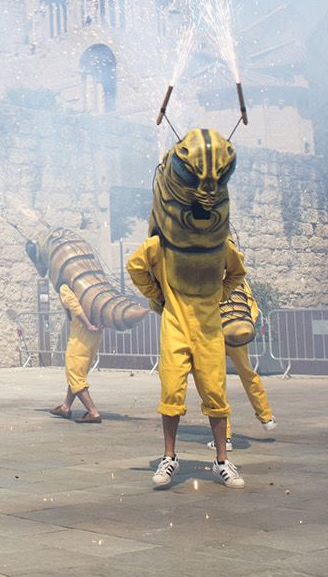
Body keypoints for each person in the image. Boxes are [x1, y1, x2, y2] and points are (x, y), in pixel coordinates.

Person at [128, 128, 247, 490]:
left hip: (209, 325)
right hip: (177, 322)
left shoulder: (220, 244)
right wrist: (160, 296)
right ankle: (169, 458)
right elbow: (136, 265)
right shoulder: (160, 245)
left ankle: (222, 460)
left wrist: (220, 294)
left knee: (216, 393)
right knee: (171, 393)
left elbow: (237, 271)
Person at [49, 283, 102, 423]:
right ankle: (65, 407)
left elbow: (74, 306)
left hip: (81, 333)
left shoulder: (65, 286)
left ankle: (93, 412)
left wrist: (87, 325)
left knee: (74, 372)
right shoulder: (89, 283)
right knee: (78, 372)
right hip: (94, 334)